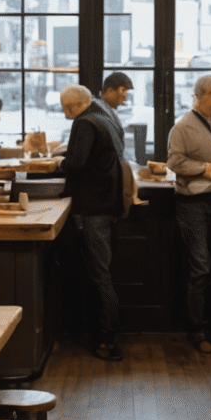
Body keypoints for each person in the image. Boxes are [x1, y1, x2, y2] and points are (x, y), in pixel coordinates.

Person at [60, 83, 125, 360]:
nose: (64, 112)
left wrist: (56, 163)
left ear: (74, 105)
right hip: (107, 204)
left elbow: (76, 162)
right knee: (102, 273)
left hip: (92, 208)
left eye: (65, 107)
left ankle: (106, 340)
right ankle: (104, 335)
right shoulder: (103, 117)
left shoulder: (84, 123)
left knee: (99, 276)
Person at [166, 74, 211, 355]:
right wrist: (204, 169)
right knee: (200, 266)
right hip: (192, 204)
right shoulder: (183, 127)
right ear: (199, 95)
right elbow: (175, 162)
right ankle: (197, 329)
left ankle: (210, 325)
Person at [90, 71, 132, 160]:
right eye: (123, 90)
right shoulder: (99, 111)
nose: (125, 96)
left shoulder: (107, 110)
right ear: (110, 90)